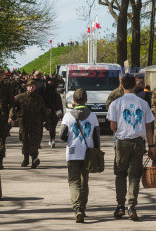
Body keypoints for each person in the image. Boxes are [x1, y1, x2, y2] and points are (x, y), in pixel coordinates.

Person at [107, 74, 155, 221]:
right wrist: (151, 146)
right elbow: (149, 127)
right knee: (134, 175)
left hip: (122, 143)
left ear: (121, 86)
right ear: (135, 85)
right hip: (138, 143)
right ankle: (132, 207)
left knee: (120, 174)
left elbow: (113, 127)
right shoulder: (143, 103)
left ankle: (120, 206)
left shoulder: (115, 104)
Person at [59, 89, 100, 223]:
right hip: (87, 153)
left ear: (74, 101)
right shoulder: (92, 116)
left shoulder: (68, 115)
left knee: (73, 181)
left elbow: (62, 135)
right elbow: (96, 136)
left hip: (72, 152)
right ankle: (82, 208)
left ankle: (77, 208)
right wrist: (97, 151)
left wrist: (70, 142)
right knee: (84, 181)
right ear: (86, 101)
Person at [10, 79, 50, 168]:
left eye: (33, 86)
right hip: (24, 123)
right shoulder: (20, 97)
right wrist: (12, 116)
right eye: (29, 86)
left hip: (35, 123)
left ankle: (34, 160)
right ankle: (26, 159)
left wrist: (47, 122)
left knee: (35, 141)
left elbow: (43, 111)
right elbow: (13, 107)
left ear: (35, 87)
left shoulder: (39, 98)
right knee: (25, 140)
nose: (31, 88)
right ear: (26, 87)